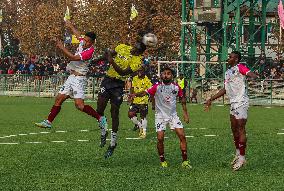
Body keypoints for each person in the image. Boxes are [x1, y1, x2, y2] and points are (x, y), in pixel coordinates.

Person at [35, 21, 108, 147]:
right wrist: (70, 26)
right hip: (71, 77)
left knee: (79, 106)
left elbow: (73, 58)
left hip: (79, 79)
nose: (83, 42)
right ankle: (48, 122)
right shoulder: (82, 41)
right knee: (59, 99)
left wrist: (60, 46)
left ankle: (100, 118)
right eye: (84, 40)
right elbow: (78, 34)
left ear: (91, 43)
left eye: (86, 41)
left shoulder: (89, 51)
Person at [97, 34, 151, 158]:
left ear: (140, 52)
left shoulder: (138, 62)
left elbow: (123, 72)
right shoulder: (122, 47)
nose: (133, 50)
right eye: (134, 47)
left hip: (118, 85)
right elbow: (107, 55)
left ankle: (113, 143)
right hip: (107, 80)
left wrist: (111, 61)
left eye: (136, 50)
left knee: (114, 112)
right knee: (99, 110)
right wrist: (92, 61)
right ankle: (104, 130)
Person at [204, 51, 258, 171]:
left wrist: (253, 76)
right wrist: (211, 99)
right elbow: (225, 89)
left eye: (231, 57)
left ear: (236, 59)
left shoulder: (240, 67)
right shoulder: (228, 72)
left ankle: (242, 158)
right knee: (233, 129)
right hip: (233, 103)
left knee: (240, 128)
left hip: (241, 102)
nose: (228, 58)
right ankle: (238, 154)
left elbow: (250, 73)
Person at [130, 67, 191, 168]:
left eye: (168, 73)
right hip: (160, 116)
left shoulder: (176, 87)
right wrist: (135, 95)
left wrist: (185, 113)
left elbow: (182, 99)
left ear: (172, 76)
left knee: (182, 135)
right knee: (160, 138)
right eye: (164, 73)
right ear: (161, 75)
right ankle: (163, 160)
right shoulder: (156, 87)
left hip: (173, 116)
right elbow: (145, 92)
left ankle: (185, 161)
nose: (166, 75)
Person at [128, 67, 152, 138]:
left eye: (141, 70)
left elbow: (145, 92)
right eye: (138, 70)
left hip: (143, 101)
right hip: (135, 101)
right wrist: (131, 97)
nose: (139, 72)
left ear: (144, 71)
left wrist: (135, 94)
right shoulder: (135, 78)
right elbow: (132, 88)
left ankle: (144, 132)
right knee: (130, 114)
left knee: (143, 117)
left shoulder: (147, 81)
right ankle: (139, 125)